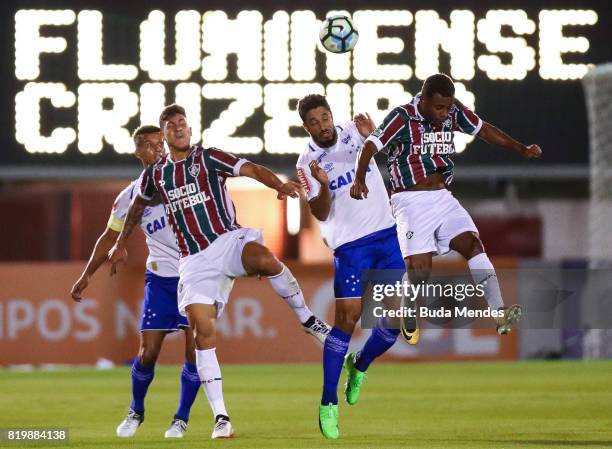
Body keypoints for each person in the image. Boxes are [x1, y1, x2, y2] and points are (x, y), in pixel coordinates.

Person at [107, 104, 330, 439]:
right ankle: (221, 418)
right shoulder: (157, 174)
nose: (179, 128)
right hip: (194, 262)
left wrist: (278, 185)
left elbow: (251, 169)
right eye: (171, 125)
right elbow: (138, 206)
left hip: (227, 239)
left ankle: (308, 320)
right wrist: (121, 242)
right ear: (164, 134)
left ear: (189, 129)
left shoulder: (208, 158)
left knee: (266, 260)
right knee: (202, 333)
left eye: (183, 122)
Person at [351, 73, 542, 336]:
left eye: (447, 107)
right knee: (420, 271)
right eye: (438, 107)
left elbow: (484, 129)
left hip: (443, 198)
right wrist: (359, 178)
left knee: (473, 245)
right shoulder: (402, 117)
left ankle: (499, 313)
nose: (444, 113)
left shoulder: (453, 112)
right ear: (424, 100)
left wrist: (520, 148)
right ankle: (405, 305)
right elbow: (371, 145)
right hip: (410, 201)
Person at [70, 125, 200, 439]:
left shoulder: (188, 179)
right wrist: (86, 275)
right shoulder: (129, 196)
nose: (157, 150)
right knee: (147, 352)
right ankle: (136, 411)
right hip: (161, 279)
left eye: (161, 144)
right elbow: (109, 237)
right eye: (150, 145)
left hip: (197, 274)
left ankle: (180, 418)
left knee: (195, 351)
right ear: (137, 151)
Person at [296, 94, 410, 440]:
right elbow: (319, 212)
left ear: (332, 115)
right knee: (347, 320)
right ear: (306, 127)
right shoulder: (305, 164)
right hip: (350, 248)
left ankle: (359, 365)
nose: (322, 125)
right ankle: (328, 403)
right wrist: (325, 184)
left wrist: (375, 133)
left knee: (394, 323)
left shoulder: (355, 131)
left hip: (386, 237)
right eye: (314, 122)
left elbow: (393, 155)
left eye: (325, 117)